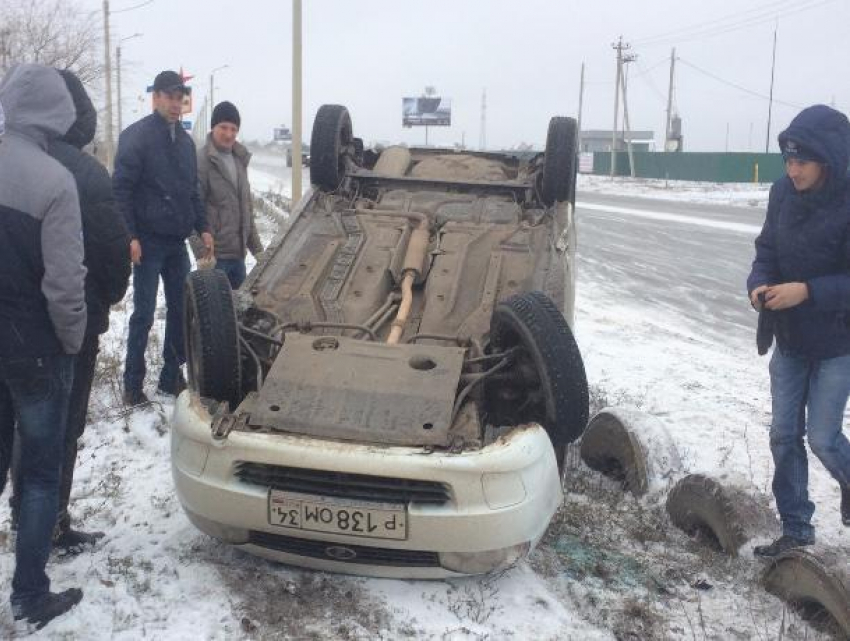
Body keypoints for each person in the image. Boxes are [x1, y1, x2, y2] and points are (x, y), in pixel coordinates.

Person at [8, 70, 131, 552]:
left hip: (12, 324)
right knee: (60, 429)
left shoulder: (13, 159)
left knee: (23, 426)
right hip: (68, 323)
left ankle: (24, 517)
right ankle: (49, 525)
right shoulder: (82, 172)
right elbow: (110, 249)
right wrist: (105, 299)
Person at [0, 63, 87, 630]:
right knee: (37, 475)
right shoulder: (56, 181)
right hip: (35, 350)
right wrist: (72, 341)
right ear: (59, 114)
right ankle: (30, 596)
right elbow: (64, 284)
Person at [747, 104, 850, 557]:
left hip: (835, 343)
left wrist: (807, 291)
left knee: (823, 438)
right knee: (784, 435)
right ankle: (795, 529)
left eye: (801, 161)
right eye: (787, 160)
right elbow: (766, 248)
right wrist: (758, 284)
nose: (792, 170)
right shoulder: (781, 193)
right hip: (788, 338)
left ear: (826, 159)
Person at [113, 70, 213, 406]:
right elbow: (121, 190)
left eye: (179, 97)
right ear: (155, 97)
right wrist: (131, 236)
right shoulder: (136, 137)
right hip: (148, 242)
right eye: (168, 96)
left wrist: (204, 227)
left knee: (180, 311)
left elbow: (192, 192)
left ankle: (171, 377)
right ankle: (132, 384)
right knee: (142, 313)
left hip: (176, 243)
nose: (175, 104)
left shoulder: (185, 144)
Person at [194, 101, 263, 288]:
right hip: (216, 259)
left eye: (234, 129)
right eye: (223, 127)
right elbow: (193, 210)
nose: (229, 134)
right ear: (213, 127)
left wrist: (257, 250)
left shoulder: (239, 160)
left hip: (238, 258)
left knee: (239, 314)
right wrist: (203, 255)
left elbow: (246, 209)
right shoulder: (201, 161)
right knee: (216, 315)